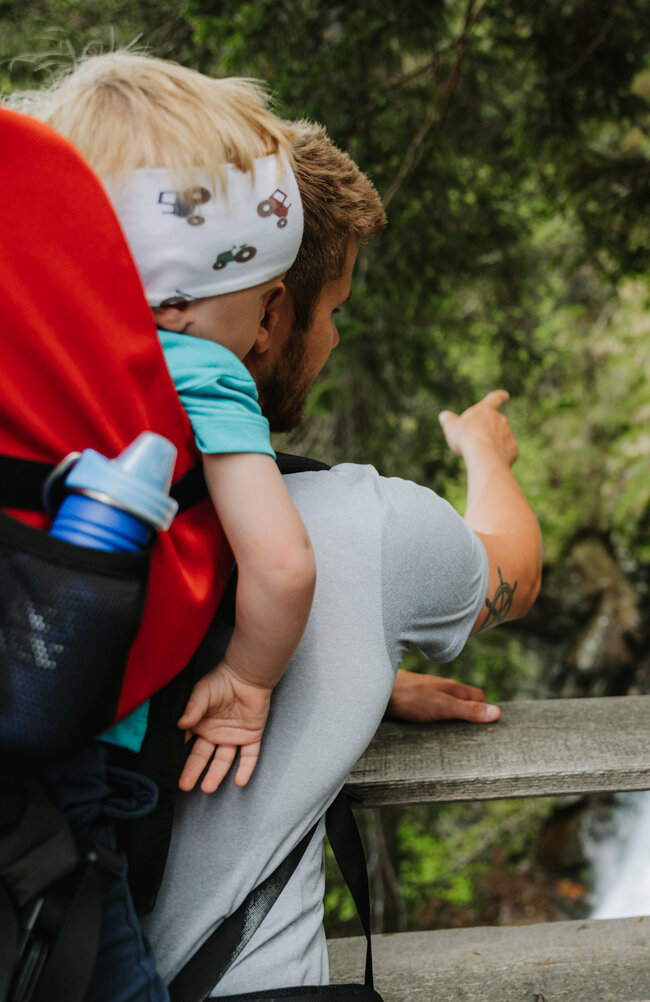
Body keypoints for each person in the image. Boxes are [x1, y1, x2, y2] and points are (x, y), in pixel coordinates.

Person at [141, 120, 542, 996]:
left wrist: (350, 678)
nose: (333, 342)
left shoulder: (76, 492)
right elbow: (517, 568)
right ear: (270, 313)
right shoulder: (362, 521)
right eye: (333, 312)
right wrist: (483, 453)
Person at [25, 51, 317, 793]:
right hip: (77, 727)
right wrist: (249, 684)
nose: (264, 327)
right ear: (179, 305)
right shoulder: (196, 367)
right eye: (262, 301)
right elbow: (282, 566)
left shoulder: (28, 356)